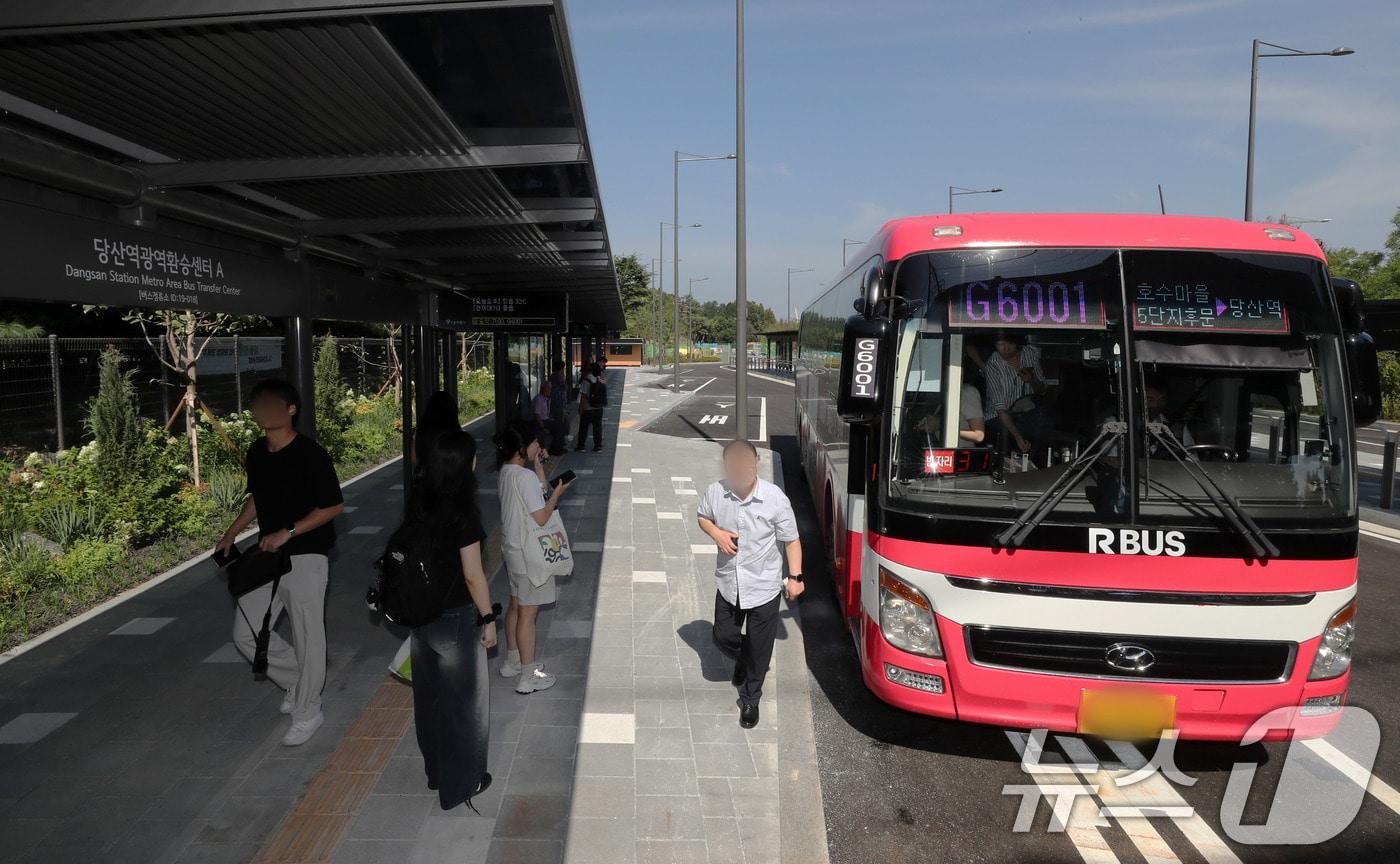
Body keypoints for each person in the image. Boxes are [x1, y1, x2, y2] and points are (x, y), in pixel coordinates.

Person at [217, 379, 343, 747]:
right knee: (246, 633)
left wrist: (290, 530)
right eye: (259, 405)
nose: (263, 411)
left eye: (272, 404)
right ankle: (296, 682)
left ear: (291, 410)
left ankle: (309, 710)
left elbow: (333, 506)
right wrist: (231, 533)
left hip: (308, 555)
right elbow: (258, 497)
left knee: (308, 637)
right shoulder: (257, 451)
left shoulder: (311, 454)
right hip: (268, 557)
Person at [405, 428, 497, 811]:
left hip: (421, 617)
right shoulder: (463, 513)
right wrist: (489, 618)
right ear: (465, 464)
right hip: (456, 619)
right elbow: (474, 574)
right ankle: (462, 785)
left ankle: (435, 773)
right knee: (465, 706)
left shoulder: (417, 502)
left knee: (429, 701)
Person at [696, 439, 803, 729]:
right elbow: (702, 517)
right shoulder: (716, 492)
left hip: (764, 586)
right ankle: (744, 655)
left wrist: (795, 578)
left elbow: (791, 540)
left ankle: (751, 698)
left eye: (747, 463)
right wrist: (716, 533)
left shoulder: (775, 498)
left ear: (756, 463)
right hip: (729, 582)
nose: (741, 469)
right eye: (734, 464)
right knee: (723, 635)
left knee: (761, 651)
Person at [390, 390, 463, 683]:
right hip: (446, 504)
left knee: (423, 561)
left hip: (422, 501)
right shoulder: (452, 435)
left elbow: (413, 457)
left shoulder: (422, 433)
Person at [496, 420, 571, 693]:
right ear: (522, 446)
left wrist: (539, 466)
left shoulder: (507, 472)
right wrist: (557, 494)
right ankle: (528, 677)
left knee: (516, 605)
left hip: (512, 550)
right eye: (535, 442)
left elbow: (533, 497)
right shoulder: (523, 477)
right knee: (529, 612)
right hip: (529, 554)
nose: (539, 446)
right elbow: (541, 516)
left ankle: (512, 661)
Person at [983, 332, 1048, 457]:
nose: (1005, 348)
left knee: (1044, 419)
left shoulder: (1030, 353)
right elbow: (1000, 408)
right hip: (999, 417)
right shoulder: (993, 364)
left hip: (1029, 414)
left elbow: (1042, 390)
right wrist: (1018, 437)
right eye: (1001, 344)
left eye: (1010, 344)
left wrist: (1032, 379)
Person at [576, 361, 604, 453]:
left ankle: (581, 446)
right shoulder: (600, 380)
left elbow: (583, 396)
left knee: (584, 428)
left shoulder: (586, 380)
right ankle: (598, 446)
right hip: (599, 408)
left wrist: (581, 408)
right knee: (597, 428)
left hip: (588, 408)